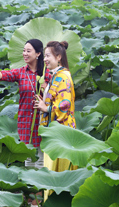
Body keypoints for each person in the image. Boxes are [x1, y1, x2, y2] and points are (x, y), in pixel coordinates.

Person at [0, 39, 51, 207]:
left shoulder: (48, 74)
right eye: (23, 50)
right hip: (25, 124)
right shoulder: (21, 72)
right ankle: (31, 201)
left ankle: (39, 200)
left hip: (43, 125)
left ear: (38, 54)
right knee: (29, 163)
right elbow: (1, 75)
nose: (24, 54)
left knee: (42, 163)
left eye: (28, 51)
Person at [34, 40, 77, 202]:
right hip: (54, 133)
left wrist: (46, 109)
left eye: (47, 56)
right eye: (44, 56)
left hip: (61, 134)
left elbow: (64, 105)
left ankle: (51, 202)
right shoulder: (56, 75)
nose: (44, 59)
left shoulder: (63, 76)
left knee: (55, 175)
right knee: (52, 173)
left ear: (58, 57)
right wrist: (44, 98)